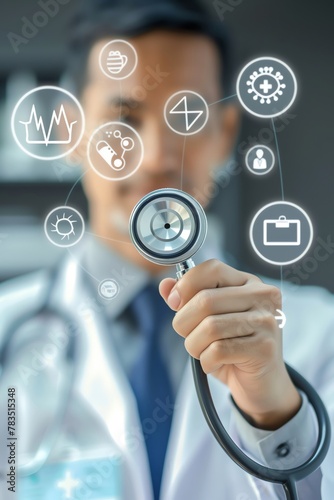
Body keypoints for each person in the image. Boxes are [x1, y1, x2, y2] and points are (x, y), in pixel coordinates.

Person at [0, 0, 333, 499]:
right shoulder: (9, 332)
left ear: (223, 137)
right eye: (125, 119)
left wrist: (275, 417)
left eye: (187, 117)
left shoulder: (318, 334)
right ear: (71, 130)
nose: (156, 158)